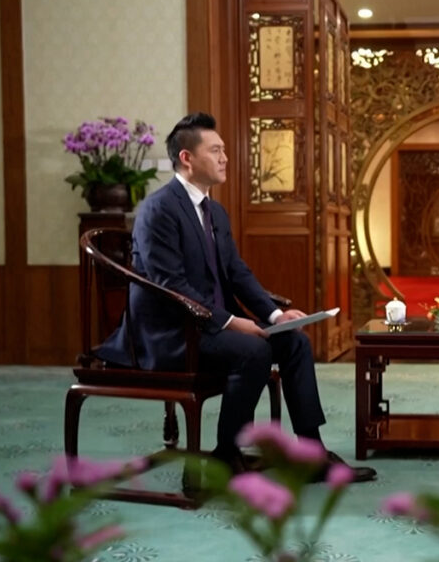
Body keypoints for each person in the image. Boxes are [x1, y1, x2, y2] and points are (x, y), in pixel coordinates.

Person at [98, 112, 375, 483]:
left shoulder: (214, 211)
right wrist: (230, 322)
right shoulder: (159, 209)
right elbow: (170, 283)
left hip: (208, 326)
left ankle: (312, 453)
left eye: (224, 150)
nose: (225, 158)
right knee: (253, 350)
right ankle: (226, 455)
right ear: (187, 158)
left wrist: (275, 316)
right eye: (215, 151)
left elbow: (237, 273)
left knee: (295, 342)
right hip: (171, 333)